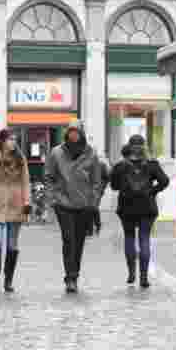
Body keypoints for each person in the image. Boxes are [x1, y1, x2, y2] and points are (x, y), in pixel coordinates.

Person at [44, 120, 106, 293]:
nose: (73, 134)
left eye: (76, 131)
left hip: (84, 204)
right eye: (70, 131)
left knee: (79, 241)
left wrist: (93, 202)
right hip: (63, 203)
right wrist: (53, 198)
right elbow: (48, 176)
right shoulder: (56, 153)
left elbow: (96, 181)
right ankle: (69, 277)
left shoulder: (91, 154)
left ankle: (75, 274)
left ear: (81, 133)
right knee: (68, 239)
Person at [109, 135, 170, 288]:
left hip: (126, 207)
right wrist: (152, 191)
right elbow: (165, 181)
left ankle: (131, 273)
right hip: (147, 206)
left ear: (128, 147)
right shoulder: (152, 164)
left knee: (129, 238)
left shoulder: (120, 166)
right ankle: (144, 278)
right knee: (144, 239)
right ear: (144, 147)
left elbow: (114, 186)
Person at [0, 129, 30, 293]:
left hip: (16, 204)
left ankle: (8, 280)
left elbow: (26, 182)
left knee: (12, 244)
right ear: (2, 141)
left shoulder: (20, 159)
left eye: (15, 139)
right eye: (10, 139)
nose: (13, 142)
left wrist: (27, 202)